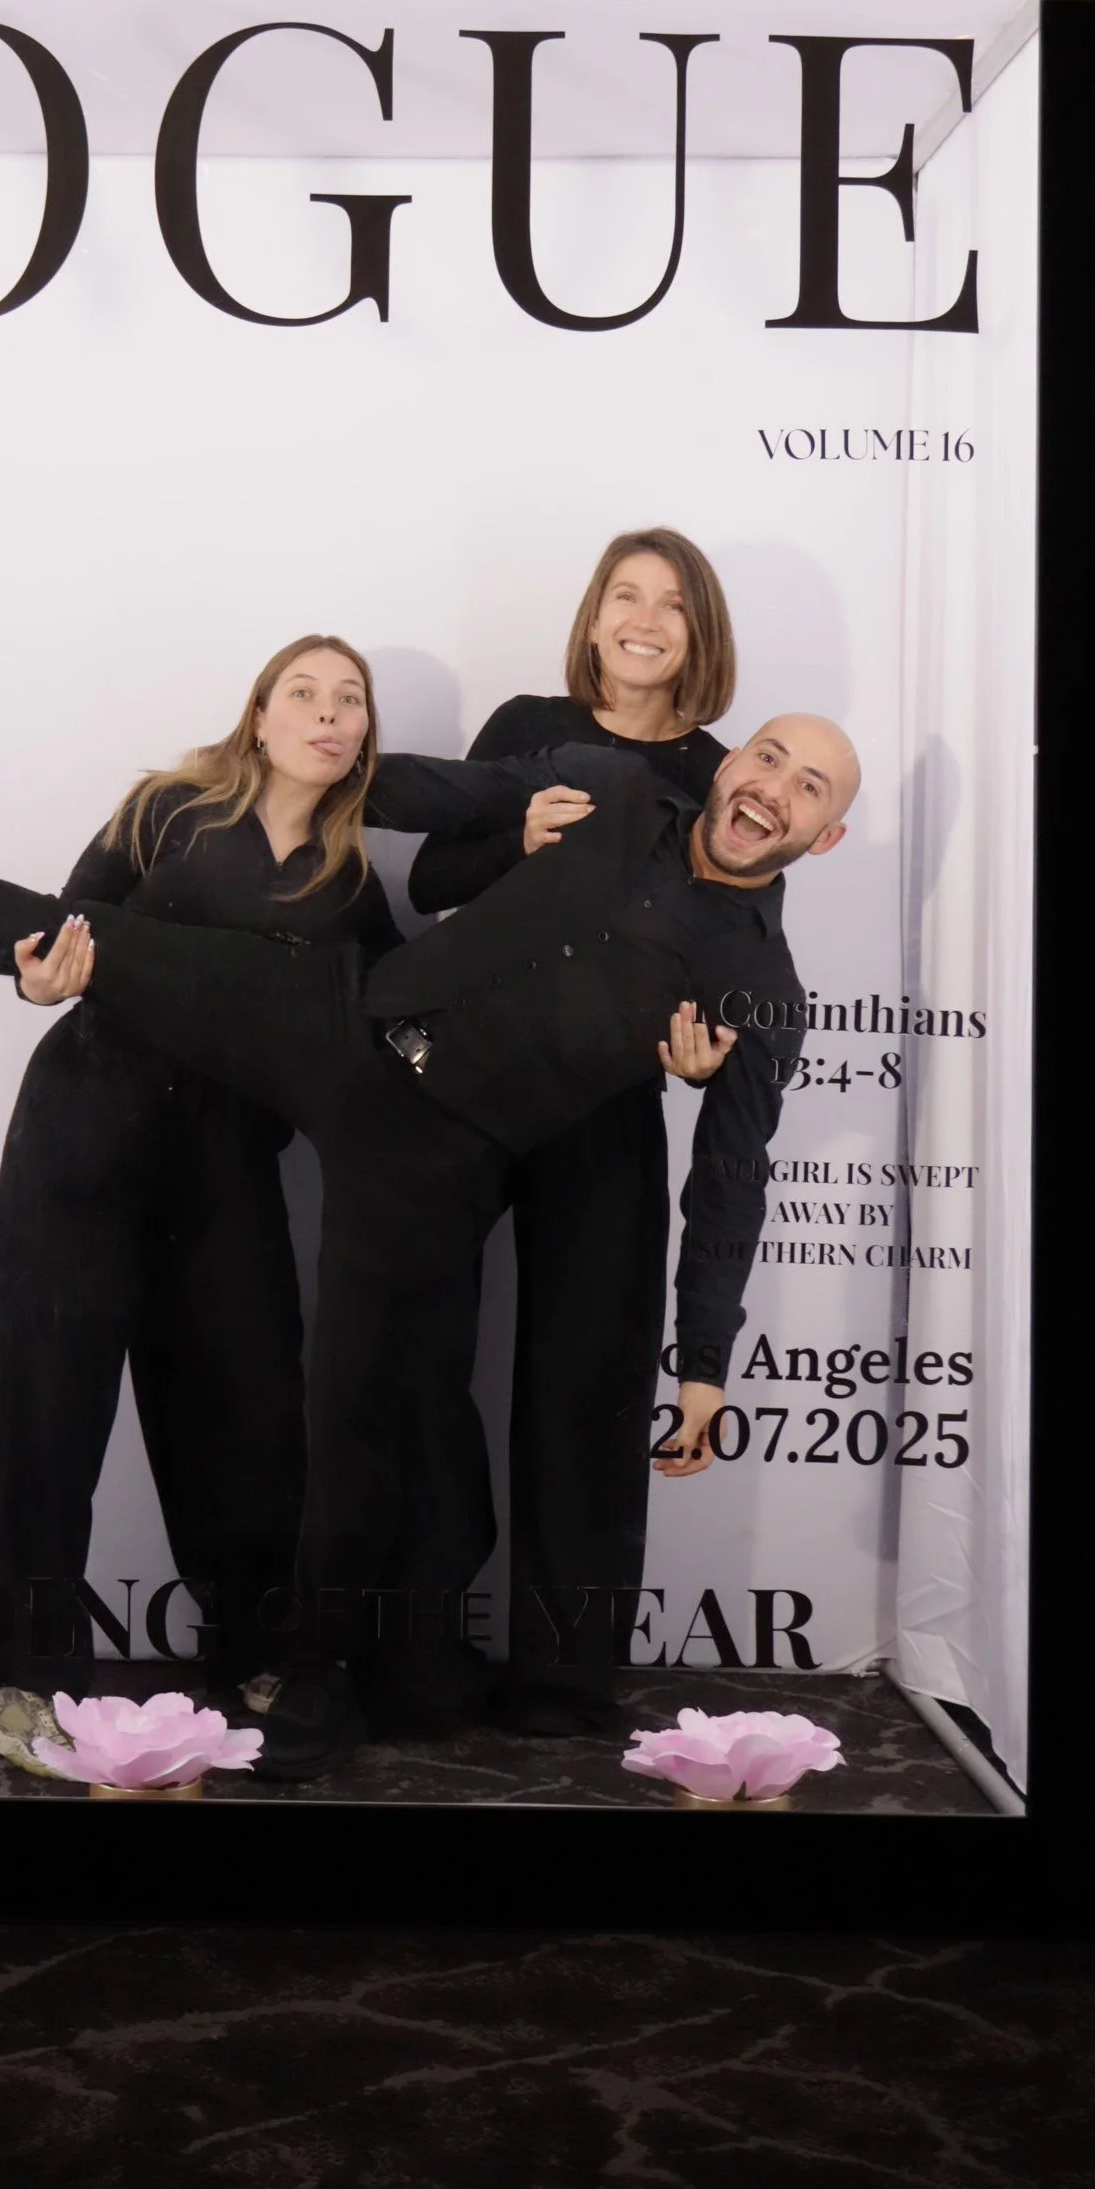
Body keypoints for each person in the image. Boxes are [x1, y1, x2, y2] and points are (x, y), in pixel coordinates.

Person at [0, 701, 858, 1776]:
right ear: (729, 761)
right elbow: (427, 787)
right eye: (768, 756)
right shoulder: (610, 785)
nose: (775, 788)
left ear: (826, 835)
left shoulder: (754, 984)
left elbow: (732, 1177)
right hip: (343, 1014)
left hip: (433, 1155)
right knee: (95, 938)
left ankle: (308, 1682)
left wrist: (705, 1364)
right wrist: (381, 777)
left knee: (355, 1411)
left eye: (809, 787)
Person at [0, 636, 454, 1776]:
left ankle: (253, 1649)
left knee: (246, 1404)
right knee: (45, 1399)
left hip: (230, 1158)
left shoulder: (351, 880)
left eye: (351, 702)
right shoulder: (168, 812)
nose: (328, 716)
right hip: (89, 1127)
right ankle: (24, 1677)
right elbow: (61, 928)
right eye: (305, 694)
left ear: (364, 735)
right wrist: (34, 973)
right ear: (261, 715)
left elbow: (399, 1020)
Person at [407, 529, 737, 1738]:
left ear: (699, 633)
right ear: (594, 617)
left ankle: (562, 1676)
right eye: (625, 596)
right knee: (421, 1359)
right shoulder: (527, 726)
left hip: (608, 1097)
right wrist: (520, 840)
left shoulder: (718, 772)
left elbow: (735, 937)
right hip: (472, 1079)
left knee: (588, 1380)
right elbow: (435, 880)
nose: (646, 620)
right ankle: (421, 1656)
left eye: (673, 605)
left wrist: (713, 1047)